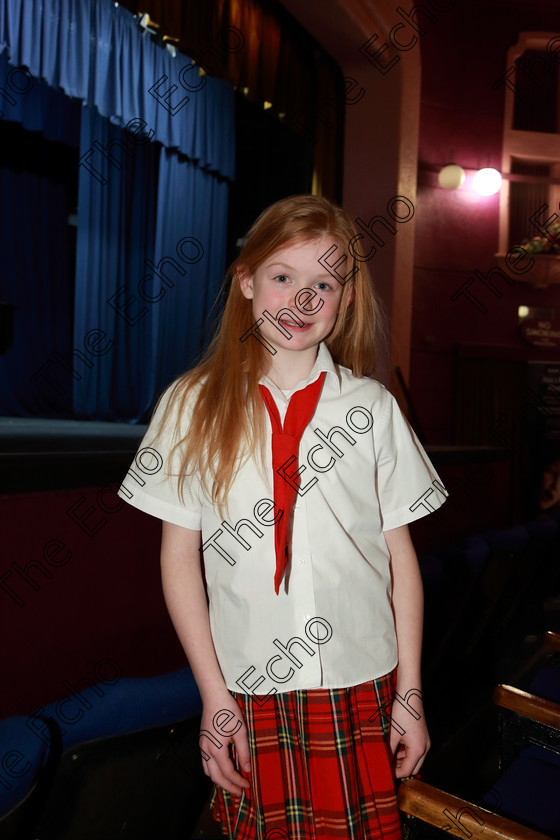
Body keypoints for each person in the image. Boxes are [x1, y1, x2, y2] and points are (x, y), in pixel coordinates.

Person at [118, 195, 447, 840]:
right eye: (282, 276)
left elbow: (399, 558)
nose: (302, 300)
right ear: (245, 281)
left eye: (322, 283)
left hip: (363, 683)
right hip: (250, 687)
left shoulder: (373, 407)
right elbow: (178, 557)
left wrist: (410, 693)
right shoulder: (191, 404)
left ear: (346, 300)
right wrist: (214, 696)